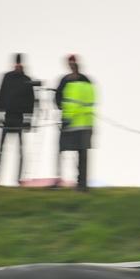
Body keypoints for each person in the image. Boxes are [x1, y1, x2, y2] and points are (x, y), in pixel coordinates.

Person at [0, 53, 36, 186]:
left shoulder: (26, 79)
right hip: (8, 118)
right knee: (1, 150)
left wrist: (28, 121)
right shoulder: (7, 77)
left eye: (20, 63)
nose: (18, 65)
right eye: (17, 63)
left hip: (19, 119)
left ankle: (19, 180)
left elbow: (31, 102)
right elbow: (0, 95)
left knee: (21, 151)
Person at [53, 54, 94, 190]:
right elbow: (57, 98)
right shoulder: (81, 81)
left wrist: (66, 114)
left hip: (73, 123)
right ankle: (71, 182)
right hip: (82, 124)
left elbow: (60, 99)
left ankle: (80, 183)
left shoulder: (78, 81)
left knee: (78, 155)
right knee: (71, 153)